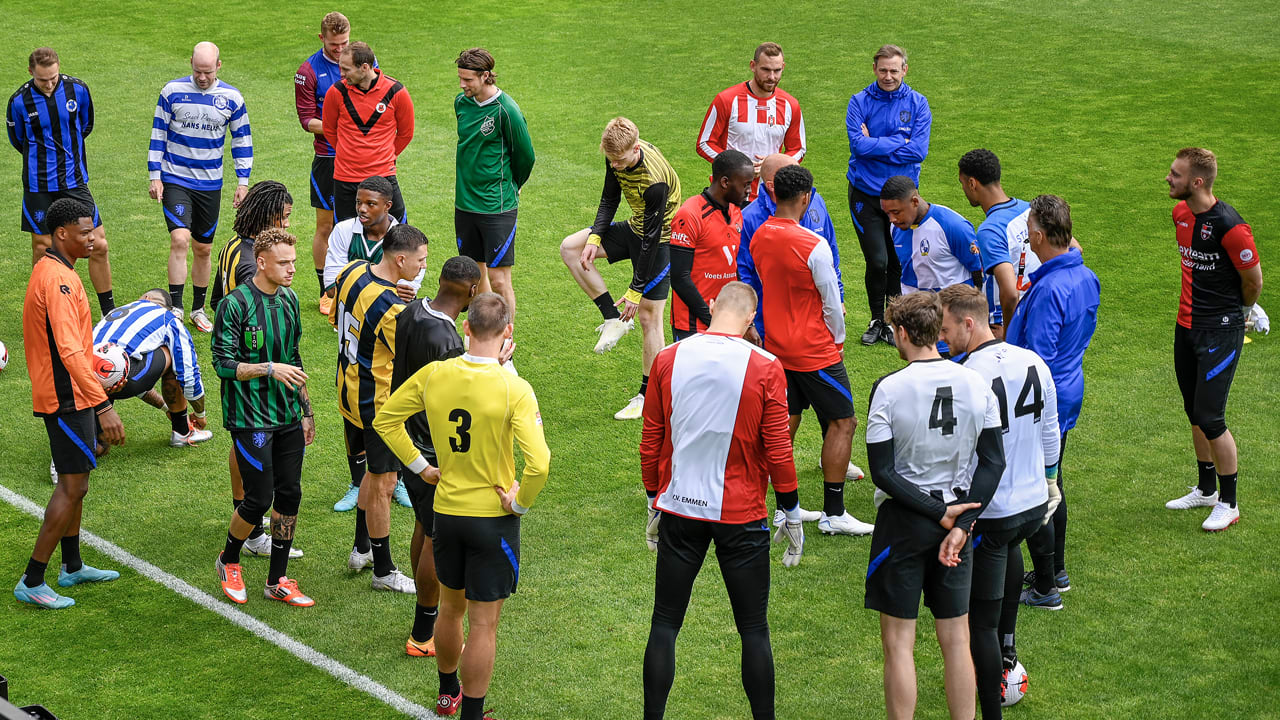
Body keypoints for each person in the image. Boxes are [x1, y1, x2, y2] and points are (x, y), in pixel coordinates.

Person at [374, 293, 550, 720]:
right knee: (484, 624)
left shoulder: (435, 375)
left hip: (446, 514)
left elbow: (385, 420)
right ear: (507, 332)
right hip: (493, 520)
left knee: (450, 610)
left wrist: (422, 468)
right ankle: (473, 714)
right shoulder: (515, 388)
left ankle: (447, 693)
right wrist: (519, 504)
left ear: (466, 329)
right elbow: (539, 464)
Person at [640, 281, 804, 720]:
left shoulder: (668, 359)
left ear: (711, 306)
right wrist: (791, 509)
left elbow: (651, 437)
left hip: (680, 509)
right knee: (753, 629)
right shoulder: (767, 366)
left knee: (665, 624)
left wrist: (654, 497)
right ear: (751, 318)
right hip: (741, 515)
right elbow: (778, 448)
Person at [864, 291, 1005, 720]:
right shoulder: (975, 383)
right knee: (957, 640)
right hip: (958, 520)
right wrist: (961, 523)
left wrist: (936, 513)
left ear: (903, 333)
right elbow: (994, 461)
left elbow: (883, 473)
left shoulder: (887, 389)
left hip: (905, 523)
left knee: (898, 644)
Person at [938, 285, 1061, 719]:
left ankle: (990, 706)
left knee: (979, 625)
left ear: (969, 323)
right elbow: (1051, 429)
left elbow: (959, 451)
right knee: (1007, 554)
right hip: (1032, 507)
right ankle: (1008, 651)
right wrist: (1050, 484)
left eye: (947, 327)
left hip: (994, 510)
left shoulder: (966, 375)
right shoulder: (1033, 360)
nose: (942, 336)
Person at [747, 165, 871, 535]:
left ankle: (787, 509)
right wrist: (838, 340)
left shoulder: (758, 235)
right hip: (815, 351)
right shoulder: (813, 245)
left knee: (784, 423)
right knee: (843, 422)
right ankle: (834, 513)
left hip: (777, 348)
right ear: (805, 198)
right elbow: (832, 303)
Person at [14, 198, 126, 609]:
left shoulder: (56, 271)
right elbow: (68, 351)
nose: (94, 240)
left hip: (71, 394)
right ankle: (33, 578)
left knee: (76, 482)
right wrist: (103, 406)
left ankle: (72, 565)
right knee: (72, 484)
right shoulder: (57, 281)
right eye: (85, 232)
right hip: (66, 399)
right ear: (62, 234)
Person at [211, 229, 315, 607]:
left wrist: (305, 411)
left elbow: (295, 358)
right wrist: (268, 369)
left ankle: (278, 579)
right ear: (262, 262)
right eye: (284, 263)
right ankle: (229, 559)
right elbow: (222, 364)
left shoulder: (289, 300)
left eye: (294, 262)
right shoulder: (235, 305)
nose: (291, 269)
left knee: (290, 493)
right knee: (258, 498)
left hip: (287, 414)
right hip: (250, 417)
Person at [1006, 195, 1100, 606]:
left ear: (1041, 236)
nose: (1028, 240)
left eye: (1029, 234)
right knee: (1052, 479)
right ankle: (1055, 571)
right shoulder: (1086, 276)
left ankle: (1045, 586)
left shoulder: (1049, 290)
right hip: (1069, 386)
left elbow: (1035, 359)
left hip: (1041, 398)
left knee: (1038, 487)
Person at [1163, 148, 1262, 532]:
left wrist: (1244, 310)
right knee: (1193, 411)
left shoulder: (1231, 226)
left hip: (1220, 331)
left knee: (1211, 417)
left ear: (1197, 182)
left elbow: (1253, 280)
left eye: (1175, 174)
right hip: (1185, 326)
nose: (1168, 178)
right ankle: (1205, 489)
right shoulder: (1181, 214)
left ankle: (1229, 502)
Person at [390, 255, 484, 658]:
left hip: (407, 440)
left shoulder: (413, 309)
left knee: (422, 526)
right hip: (432, 451)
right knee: (434, 536)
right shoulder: (448, 341)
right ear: (472, 291)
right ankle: (423, 633)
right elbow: (457, 399)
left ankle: (421, 613)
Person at [558, 117, 681, 420]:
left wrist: (635, 290)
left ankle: (648, 396)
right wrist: (595, 237)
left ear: (635, 148)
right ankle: (612, 318)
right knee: (571, 248)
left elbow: (652, 239)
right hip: (637, 227)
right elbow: (609, 197)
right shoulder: (616, 156)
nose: (614, 166)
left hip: (661, 239)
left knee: (650, 317)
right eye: (610, 159)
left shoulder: (654, 180)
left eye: (619, 160)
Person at [333, 224, 430, 594]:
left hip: (348, 390)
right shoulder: (392, 310)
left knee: (371, 477)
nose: (422, 268)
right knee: (385, 484)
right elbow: (414, 360)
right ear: (401, 259)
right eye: (420, 261)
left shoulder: (352, 270)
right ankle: (384, 571)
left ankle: (361, 548)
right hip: (378, 406)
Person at [149, 41, 253, 333]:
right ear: (190, 64)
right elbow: (158, 133)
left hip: (209, 183)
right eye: (197, 71)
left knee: (203, 248)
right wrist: (154, 175)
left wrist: (242, 182)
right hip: (175, 178)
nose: (202, 77)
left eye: (207, 72)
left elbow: (242, 140)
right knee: (180, 239)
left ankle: (197, 309)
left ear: (219, 66)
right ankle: (176, 308)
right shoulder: (172, 92)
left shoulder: (231, 98)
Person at [8, 47, 113, 315]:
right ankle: (44, 312)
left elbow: (85, 125)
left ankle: (108, 312)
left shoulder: (77, 89)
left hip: (74, 182)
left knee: (98, 244)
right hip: (38, 186)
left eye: (53, 78)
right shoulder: (19, 101)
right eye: (44, 80)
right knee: (44, 249)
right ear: (31, 72)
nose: (50, 83)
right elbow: (18, 140)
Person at [845, 44, 932, 346]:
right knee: (878, 261)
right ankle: (876, 319)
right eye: (883, 70)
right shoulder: (859, 102)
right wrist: (898, 142)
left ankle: (894, 322)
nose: (888, 76)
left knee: (898, 260)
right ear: (874, 69)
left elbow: (919, 150)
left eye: (894, 70)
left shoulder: (918, 104)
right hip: (865, 194)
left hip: (901, 197)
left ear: (904, 70)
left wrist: (877, 143)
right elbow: (858, 146)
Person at [454, 48, 535, 321]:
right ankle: (485, 334)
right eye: (461, 79)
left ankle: (506, 343)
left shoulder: (506, 111)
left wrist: (514, 184)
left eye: (468, 80)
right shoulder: (461, 103)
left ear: (486, 76)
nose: (463, 85)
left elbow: (525, 156)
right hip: (465, 203)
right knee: (474, 275)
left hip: (496, 206)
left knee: (500, 280)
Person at [738, 153, 845, 344]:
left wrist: (839, 295)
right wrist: (750, 322)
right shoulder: (749, 219)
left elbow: (832, 250)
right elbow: (743, 274)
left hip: (816, 321)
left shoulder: (816, 201)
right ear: (772, 185)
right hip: (771, 324)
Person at [295, 11, 361, 315]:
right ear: (322, 38)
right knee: (327, 225)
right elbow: (307, 119)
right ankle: (327, 291)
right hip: (328, 158)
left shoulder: (362, 61)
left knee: (364, 223)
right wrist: (342, 125)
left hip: (361, 158)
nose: (339, 50)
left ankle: (362, 285)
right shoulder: (308, 71)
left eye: (344, 43)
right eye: (334, 45)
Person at [879, 175, 983, 355]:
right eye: (887, 213)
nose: (892, 219)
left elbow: (978, 272)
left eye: (896, 212)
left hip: (950, 322)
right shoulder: (896, 228)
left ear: (914, 201)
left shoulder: (952, 225)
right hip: (916, 321)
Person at [92, 290, 211, 447]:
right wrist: (199, 414)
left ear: (145, 298)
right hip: (121, 378)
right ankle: (182, 431)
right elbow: (188, 373)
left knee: (96, 447)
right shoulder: (167, 317)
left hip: (86, 383)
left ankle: (78, 448)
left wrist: (165, 407)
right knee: (174, 352)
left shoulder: (113, 316)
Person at [695, 42, 805, 202]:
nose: (772, 77)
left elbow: (798, 149)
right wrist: (737, 166)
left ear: (783, 67)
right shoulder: (726, 100)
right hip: (729, 195)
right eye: (766, 70)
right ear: (753, 66)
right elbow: (704, 143)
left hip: (769, 197)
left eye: (777, 70)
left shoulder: (790, 105)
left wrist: (772, 165)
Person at [323, 41, 413, 224]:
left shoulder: (396, 91)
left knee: (397, 235)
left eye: (346, 69)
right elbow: (329, 130)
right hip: (345, 178)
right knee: (345, 237)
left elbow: (406, 133)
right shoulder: (336, 92)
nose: (341, 74)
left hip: (383, 177)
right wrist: (348, 153)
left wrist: (386, 155)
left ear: (364, 67)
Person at [668, 149, 753, 341]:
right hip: (693, 326)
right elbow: (680, 278)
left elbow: (733, 268)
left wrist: (746, 322)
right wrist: (712, 320)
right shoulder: (690, 214)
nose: (749, 191)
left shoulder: (735, 211)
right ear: (725, 182)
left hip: (728, 321)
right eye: (746, 184)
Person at [957, 149, 1031, 335]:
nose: (964, 190)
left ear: (972, 183)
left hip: (1003, 324)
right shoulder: (1029, 209)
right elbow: (1074, 247)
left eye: (962, 184)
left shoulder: (990, 230)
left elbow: (1010, 292)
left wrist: (1008, 336)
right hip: (1033, 312)